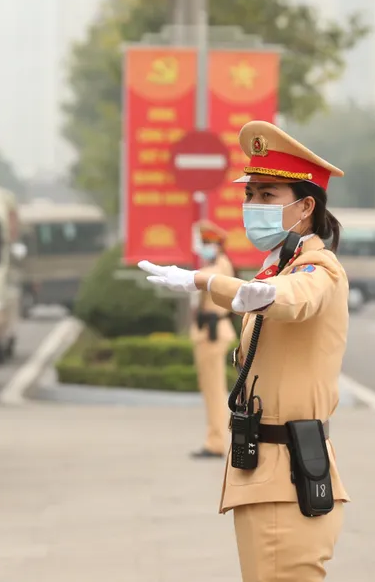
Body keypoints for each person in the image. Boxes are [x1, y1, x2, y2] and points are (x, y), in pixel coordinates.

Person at [139, 120, 349, 582]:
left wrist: (203, 280)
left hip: (287, 477)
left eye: (267, 195)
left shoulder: (318, 268)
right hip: (268, 472)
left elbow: (292, 300)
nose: (252, 205)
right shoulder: (279, 268)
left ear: (306, 206)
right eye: (249, 194)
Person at [190, 220, 237, 460]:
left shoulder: (221, 264)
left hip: (214, 331)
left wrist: (186, 276)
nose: (205, 247)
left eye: (208, 243)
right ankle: (214, 438)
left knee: (214, 391)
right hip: (207, 331)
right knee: (210, 390)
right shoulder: (212, 264)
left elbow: (209, 278)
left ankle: (216, 442)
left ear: (217, 245)